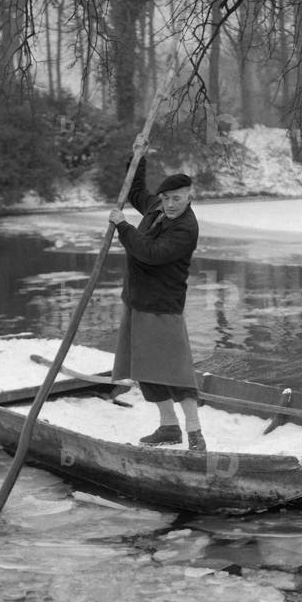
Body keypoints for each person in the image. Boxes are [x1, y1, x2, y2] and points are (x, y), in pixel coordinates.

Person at [108, 142, 205, 451]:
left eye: (177, 198)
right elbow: (136, 190)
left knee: (175, 372)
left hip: (163, 307)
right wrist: (137, 156)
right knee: (145, 369)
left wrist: (123, 226)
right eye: (166, 198)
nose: (170, 204)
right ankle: (168, 427)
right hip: (137, 300)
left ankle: (195, 433)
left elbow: (150, 253)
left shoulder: (186, 229)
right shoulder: (156, 208)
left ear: (190, 196)